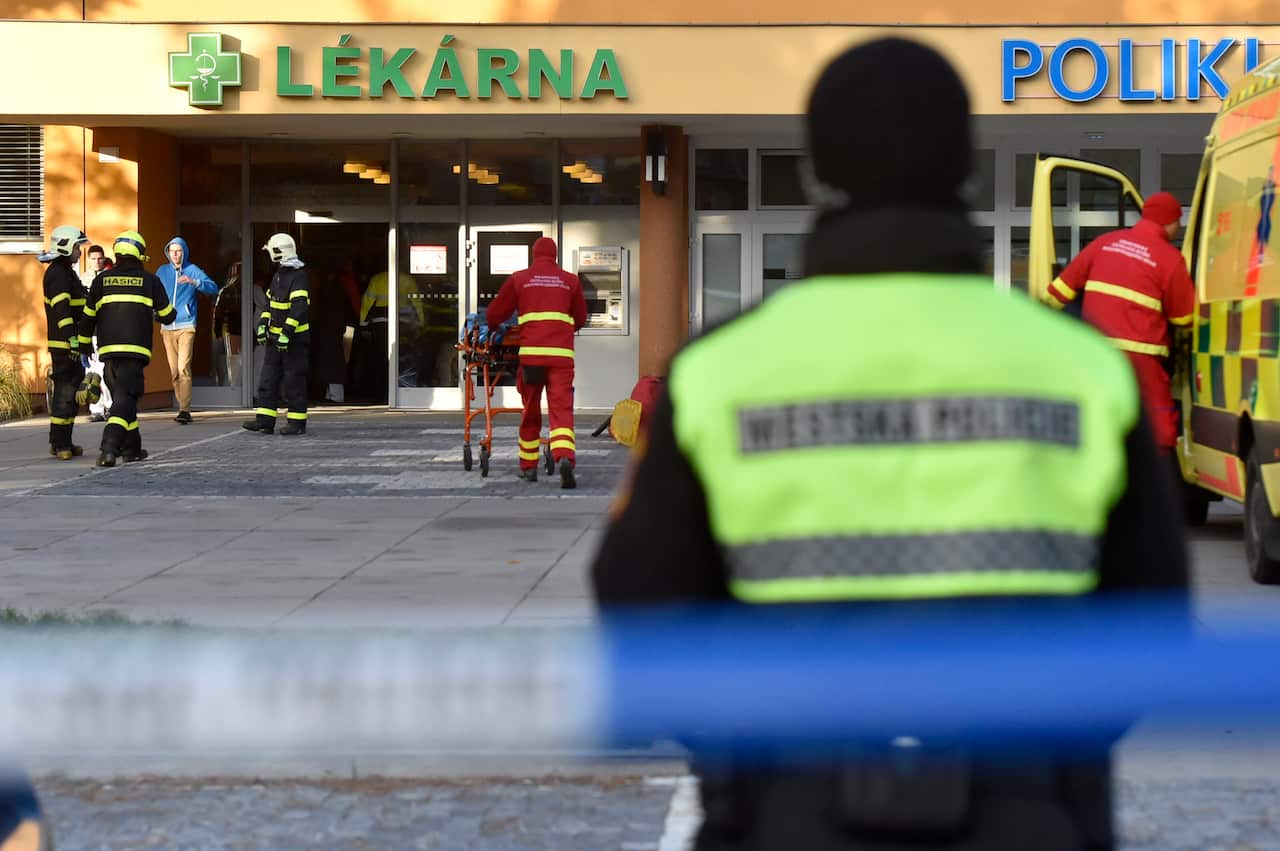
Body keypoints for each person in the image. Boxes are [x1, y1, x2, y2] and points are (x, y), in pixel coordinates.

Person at [591, 38, 1189, 851]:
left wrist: (742, 752)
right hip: (1029, 810)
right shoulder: (1084, 370)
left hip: (784, 811)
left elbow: (638, 603)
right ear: (965, 169)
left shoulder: (718, 373)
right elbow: (1151, 618)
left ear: (816, 173)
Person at [1042, 192, 1195, 456]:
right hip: (1142, 359)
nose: (1179, 228)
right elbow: (1185, 318)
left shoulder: (1104, 243)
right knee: (1157, 426)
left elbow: (1056, 294)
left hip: (1097, 354)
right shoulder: (1170, 259)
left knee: (1098, 420)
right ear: (1169, 222)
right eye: (1178, 222)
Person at [485, 237, 587, 489]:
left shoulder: (520, 279)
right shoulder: (570, 281)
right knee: (561, 409)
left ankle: (528, 467)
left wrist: (495, 329)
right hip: (561, 357)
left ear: (534, 255)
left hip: (532, 357)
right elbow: (581, 318)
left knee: (530, 410)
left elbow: (495, 314)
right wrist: (562, 330)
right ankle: (564, 456)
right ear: (555, 255)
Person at [80, 230, 176, 467]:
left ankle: (132, 449)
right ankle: (108, 448)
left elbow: (88, 317)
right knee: (124, 400)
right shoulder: (149, 281)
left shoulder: (101, 281)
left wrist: (83, 345)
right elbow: (167, 315)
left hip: (108, 353)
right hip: (135, 352)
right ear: (139, 254)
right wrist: (163, 312)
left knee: (125, 400)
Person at [243, 233, 310, 436]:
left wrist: (287, 333)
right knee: (268, 380)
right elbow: (269, 304)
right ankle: (264, 421)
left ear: (279, 251)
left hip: (294, 341)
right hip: (275, 339)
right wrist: (263, 324)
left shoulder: (299, 276)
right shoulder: (279, 274)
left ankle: (297, 423)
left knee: (294, 381)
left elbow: (299, 308)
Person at [38, 225, 89, 460]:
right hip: (65, 344)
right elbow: (62, 310)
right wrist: (72, 340)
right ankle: (60, 445)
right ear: (66, 246)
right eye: (77, 247)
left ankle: (61, 440)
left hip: (71, 342)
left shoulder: (66, 271)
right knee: (65, 394)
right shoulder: (58, 273)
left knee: (71, 394)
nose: (80, 251)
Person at [156, 237, 219, 424]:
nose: (175, 254)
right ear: (168, 253)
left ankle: (184, 409)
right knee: (174, 371)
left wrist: (194, 281)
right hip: (167, 327)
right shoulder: (162, 271)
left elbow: (213, 288)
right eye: (172, 251)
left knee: (183, 366)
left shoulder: (192, 269)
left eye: (179, 251)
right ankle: (181, 405)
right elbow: (153, 293)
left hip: (187, 325)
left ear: (184, 252)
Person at [79, 244, 113, 422]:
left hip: (105, 330)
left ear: (104, 258)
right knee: (91, 373)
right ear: (88, 259)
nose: (97, 262)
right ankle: (96, 409)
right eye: (93, 259)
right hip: (90, 332)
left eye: (100, 258)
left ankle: (109, 406)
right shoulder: (83, 279)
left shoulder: (109, 277)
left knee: (104, 371)